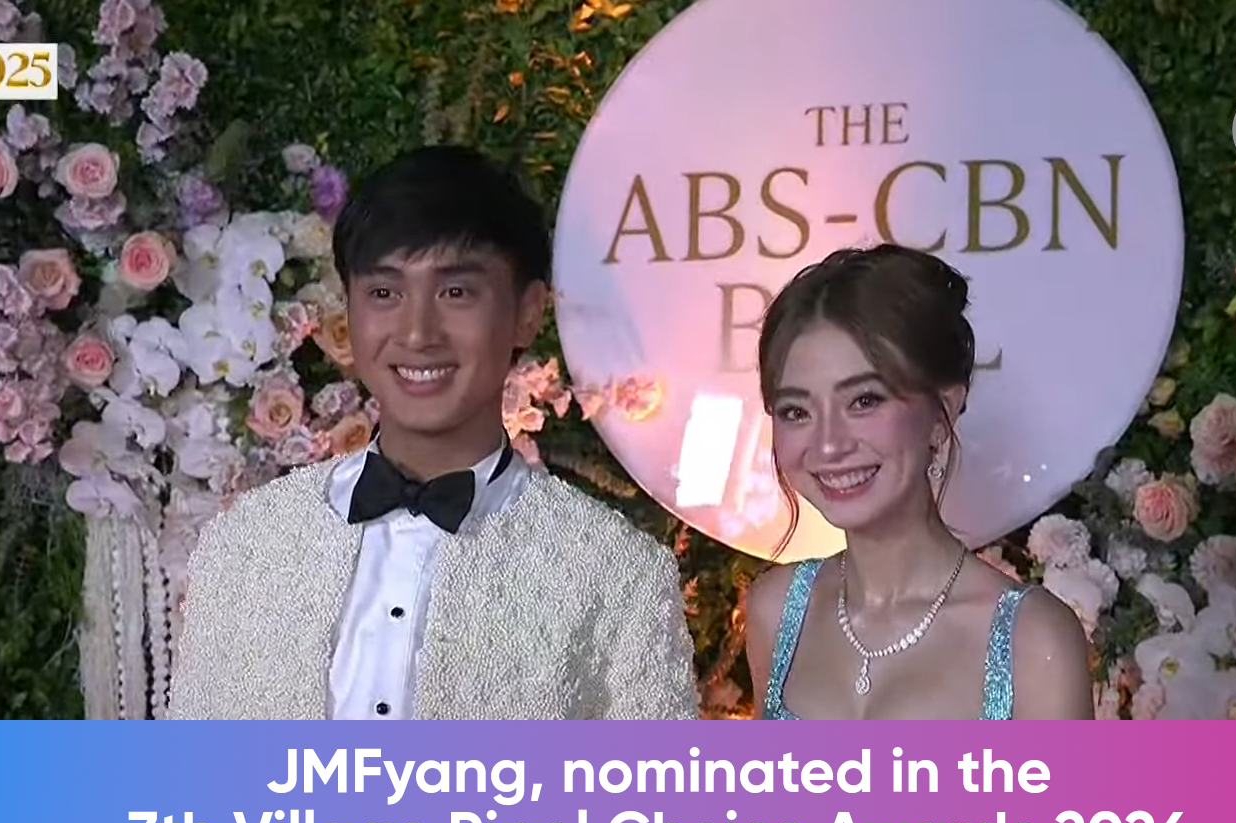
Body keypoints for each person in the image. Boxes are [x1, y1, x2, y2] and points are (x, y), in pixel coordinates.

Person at [169, 146, 698, 720]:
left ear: (528, 312)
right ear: (349, 309)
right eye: (385, 293)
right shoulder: (245, 544)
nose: (418, 333)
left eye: (455, 292)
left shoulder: (617, 574)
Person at [743, 244, 1093, 720]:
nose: (827, 446)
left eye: (864, 401)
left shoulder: (1032, 641)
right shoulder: (777, 611)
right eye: (796, 411)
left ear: (941, 413)